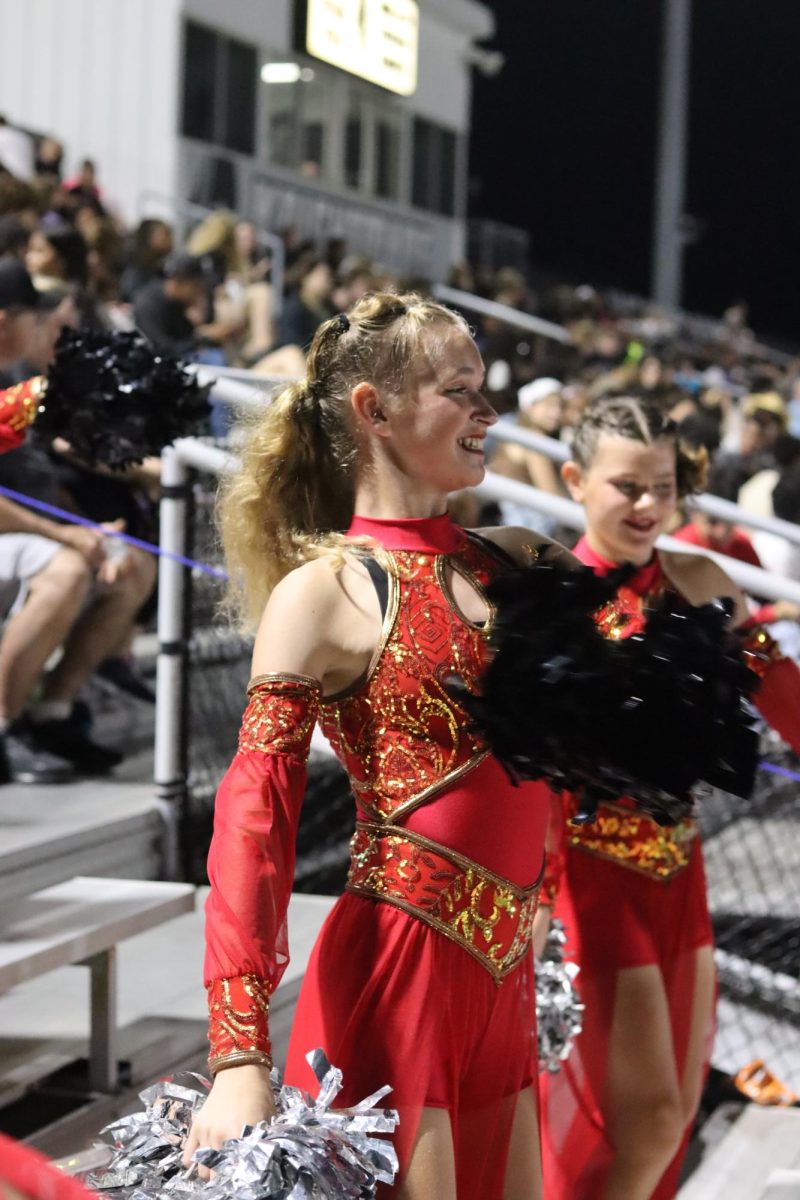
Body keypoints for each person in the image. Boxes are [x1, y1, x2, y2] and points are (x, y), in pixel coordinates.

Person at [183, 291, 580, 1199]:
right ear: (376, 411)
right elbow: (254, 823)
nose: (489, 413)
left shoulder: (516, 563)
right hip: (403, 974)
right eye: (461, 390)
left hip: (505, 973)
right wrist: (239, 1053)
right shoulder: (323, 592)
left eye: (488, 391)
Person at [538, 395, 800, 1200]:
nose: (650, 505)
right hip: (592, 880)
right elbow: (533, 768)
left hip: (679, 872)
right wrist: (537, 894)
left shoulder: (704, 584)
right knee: (645, 1121)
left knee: (675, 1114)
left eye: (664, 486)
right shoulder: (553, 600)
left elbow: (780, 692)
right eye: (627, 486)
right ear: (576, 480)